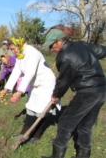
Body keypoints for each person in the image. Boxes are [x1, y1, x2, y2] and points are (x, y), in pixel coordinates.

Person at [41, 29, 106, 158]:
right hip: (102, 90)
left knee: (65, 123)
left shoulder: (65, 56)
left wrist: (56, 95)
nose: (50, 49)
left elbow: (63, 80)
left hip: (87, 92)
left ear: (60, 41)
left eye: (52, 45)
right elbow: (103, 51)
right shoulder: (82, 44)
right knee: (85, 125)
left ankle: (56, 156)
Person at [1, 37, 57, 143]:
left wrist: (19, 92)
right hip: (35, 84)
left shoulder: (32, 53)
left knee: (40, 110)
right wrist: (6, 88)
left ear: (20, 45)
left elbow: (30, 73)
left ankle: (36, 136)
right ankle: (24, 133)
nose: (13, 51)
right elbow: (16, 73)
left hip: (45, 84)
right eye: (11, 49)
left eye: (14, 48)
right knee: (30, 107)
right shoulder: (19, 55)